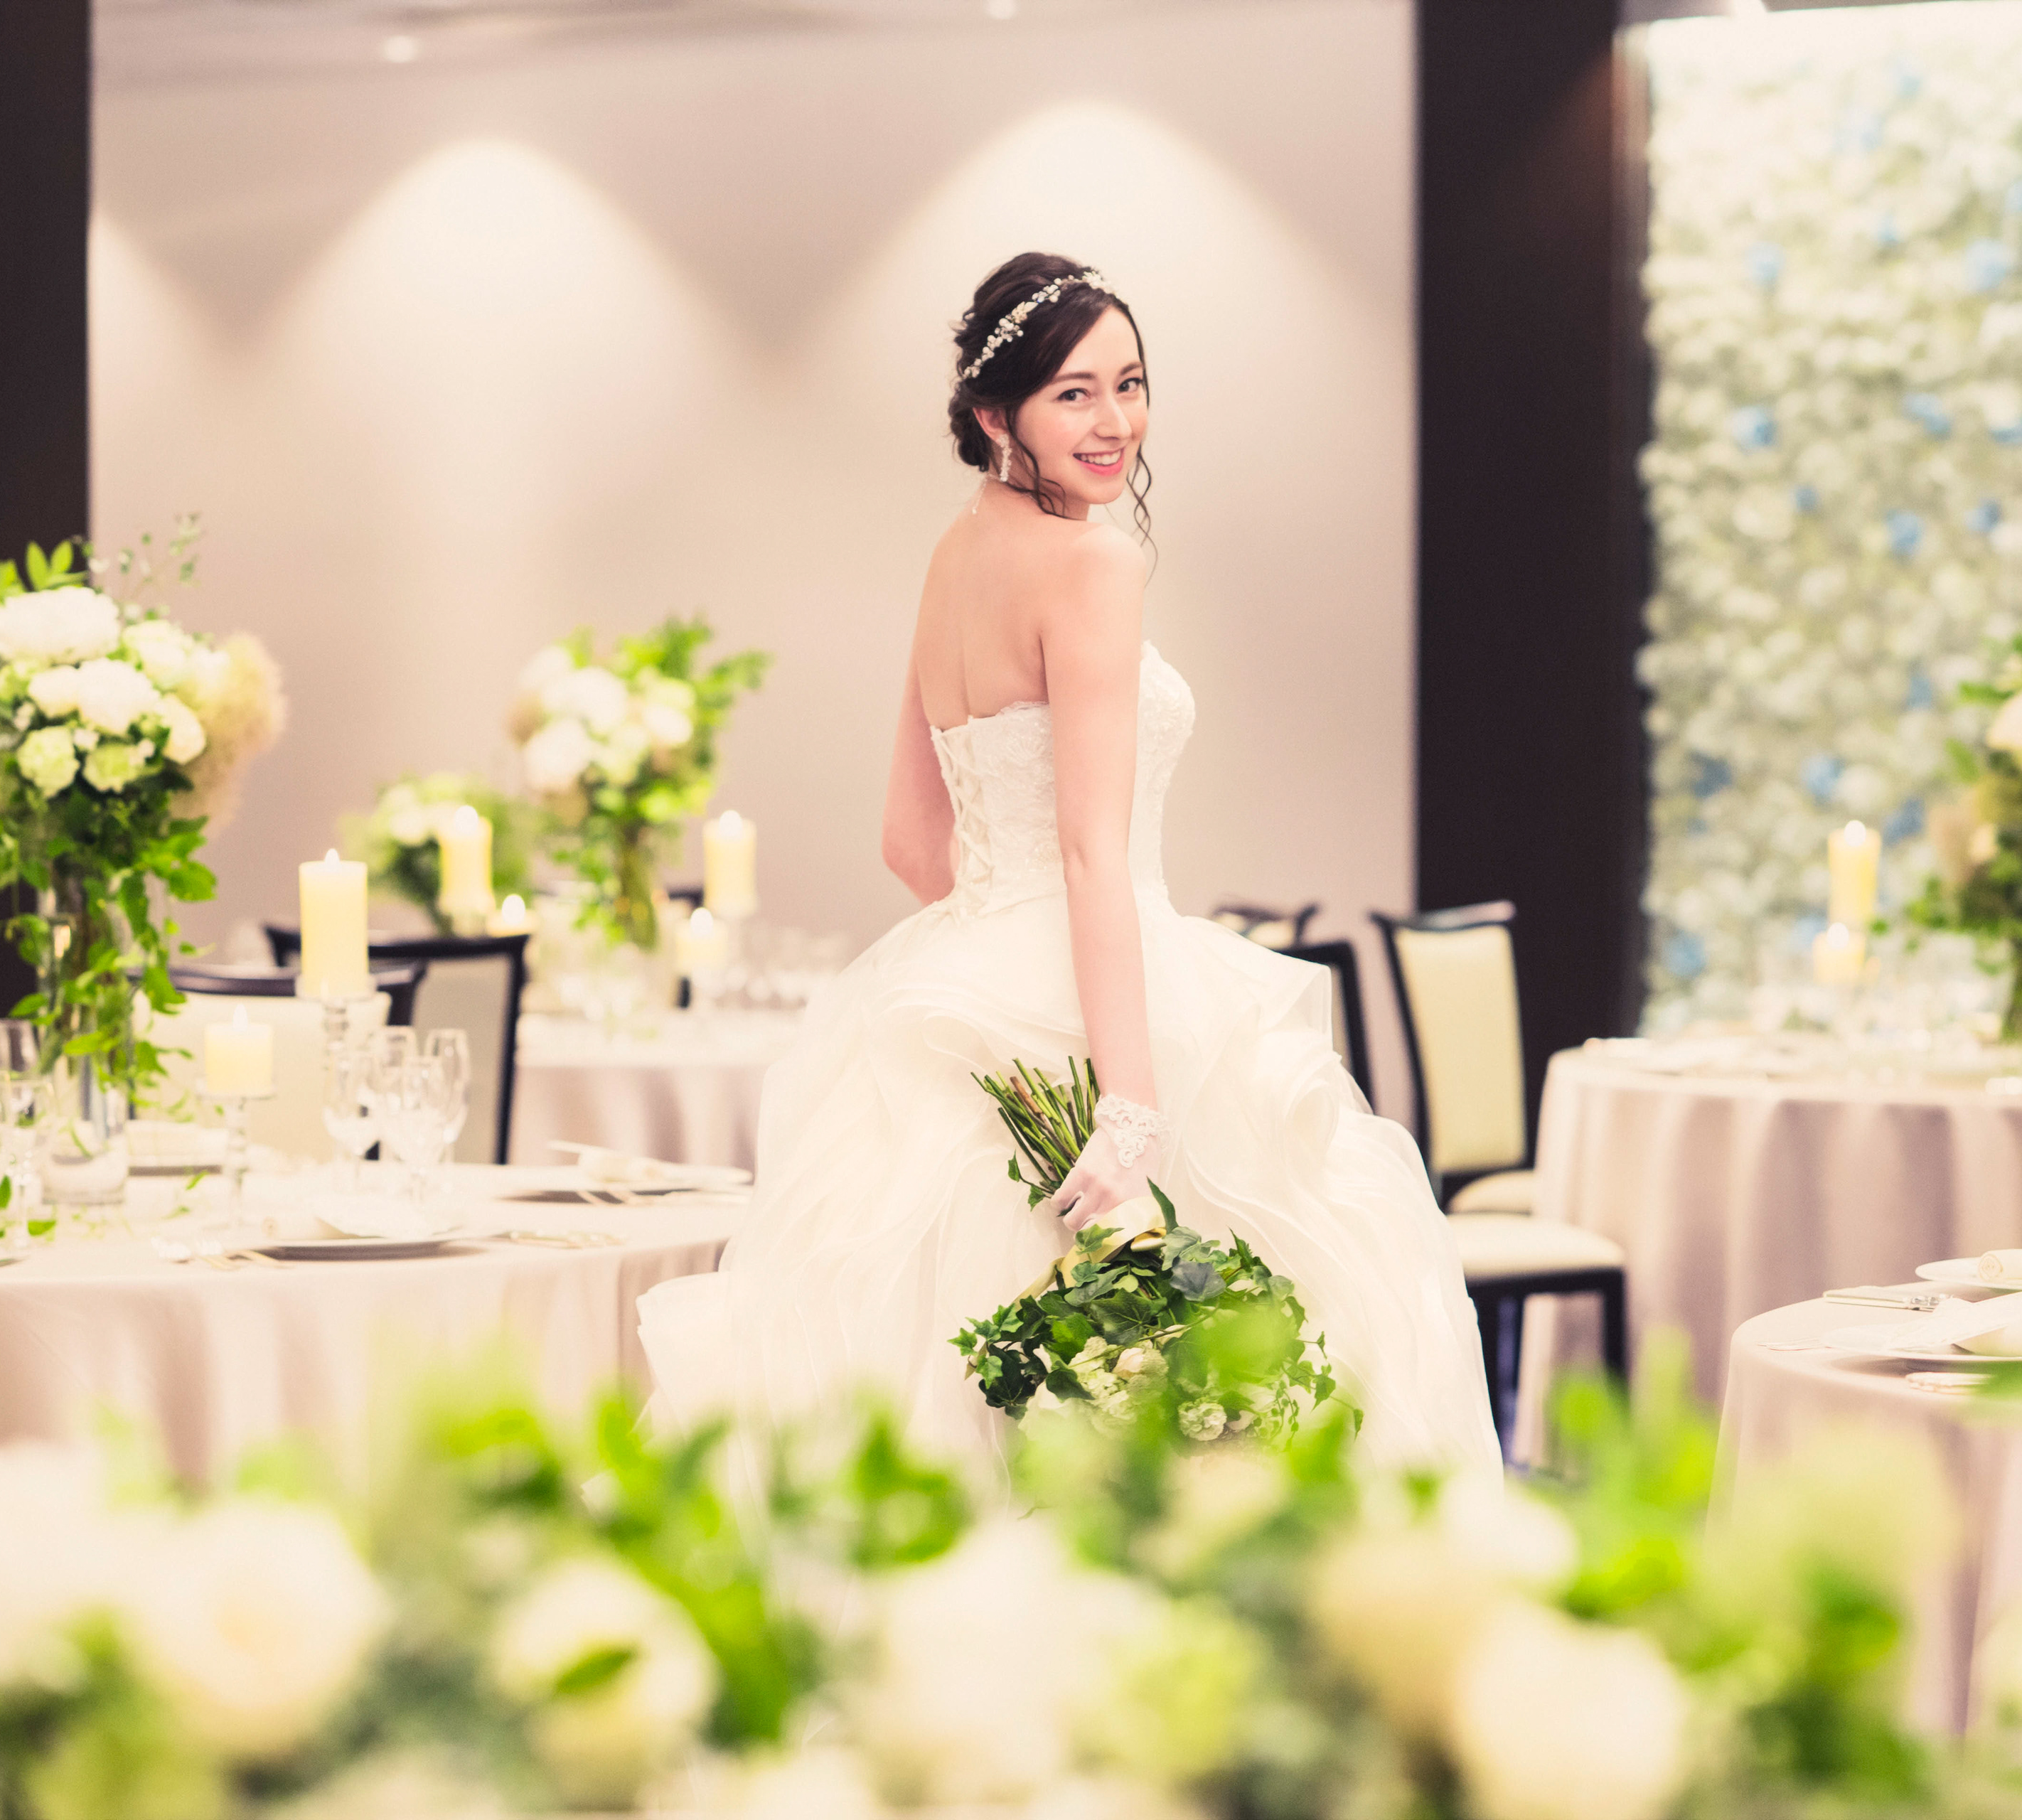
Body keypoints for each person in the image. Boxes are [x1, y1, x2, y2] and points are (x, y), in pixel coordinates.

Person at [638, 253, 1499, 1474]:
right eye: (1074, 394)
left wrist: (997, 951)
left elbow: (909, 844)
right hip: (1111, 1007)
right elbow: (1094, 856)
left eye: (1130, 385)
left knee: (927, 1386)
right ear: (998, 415)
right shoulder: (1095, 564)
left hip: (959, 980)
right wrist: (1130, 1109)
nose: (1114, 423)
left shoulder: (956, 551)